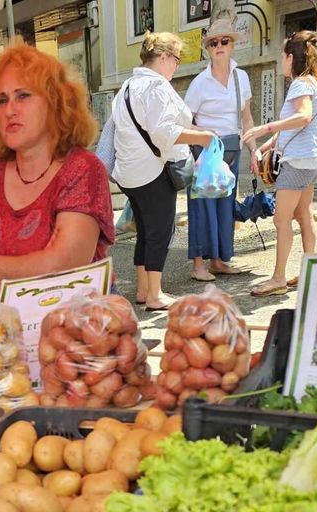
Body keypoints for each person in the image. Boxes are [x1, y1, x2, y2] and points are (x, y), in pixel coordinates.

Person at [0, 39, 114, 296]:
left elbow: (64, 268)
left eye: (23, 95)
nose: (10, 110)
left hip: (74, 328)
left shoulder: (82, 169)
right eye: (1, 100)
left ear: (55, 103)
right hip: (0, 330)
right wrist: (33, 284)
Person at [112, 32, 219, 310]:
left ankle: (143, 289)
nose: (177, 66)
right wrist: (202, 137)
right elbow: (164, 132)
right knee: (159, 231)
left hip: (128, 173)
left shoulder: (127, 87)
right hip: (153, 171)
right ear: (162, 57)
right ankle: (155, 295)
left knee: (145, 231)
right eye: (176, 59)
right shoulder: (156, 88)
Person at [242, 31, 317, 297]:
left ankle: (278, 278)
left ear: (291, 57)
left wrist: (263, 128)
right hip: (311, 158)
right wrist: (267, 146)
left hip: (297, 161)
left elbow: (302, 117)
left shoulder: (301, 84)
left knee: (281, 220)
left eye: (283, 55)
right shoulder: (314, 82)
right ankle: (309, 273)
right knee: (304, 214)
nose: (281, 59)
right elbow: (294, 128)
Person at [184, 18, 254, 282]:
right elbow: (185, 120)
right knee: (202, 206)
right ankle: (199, 265)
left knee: (224, 206)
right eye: (213, 42)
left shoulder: (241, 78)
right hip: (205, 150)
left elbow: (247, 117)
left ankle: (219, 260)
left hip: (231, 150)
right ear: (208, 49)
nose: (219, 46)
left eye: (225, 41)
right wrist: (202, 136)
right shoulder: (199, 83)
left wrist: (254, 150)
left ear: (232, 44)